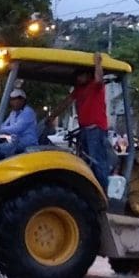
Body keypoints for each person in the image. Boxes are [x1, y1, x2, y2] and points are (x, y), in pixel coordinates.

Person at [48, 52, 110, 191]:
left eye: (80, 75)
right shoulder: (79, 89)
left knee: (97, 161)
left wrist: (98, 64)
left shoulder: (96, 85)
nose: (78, 78)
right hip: (84, 129)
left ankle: (102, 191)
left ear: (88, 75)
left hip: (95, 129)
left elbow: (99, 79)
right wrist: (52, 116)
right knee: (85, 161)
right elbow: (66, 102)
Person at [0, 88, 38, 159]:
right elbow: (4, 125)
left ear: (22, 100)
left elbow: (16, 129)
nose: (11, 102)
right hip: (16, 143)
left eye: (14, 99)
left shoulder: (28, 112)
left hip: (27, 145)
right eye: (11, 100)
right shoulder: (13, 113)